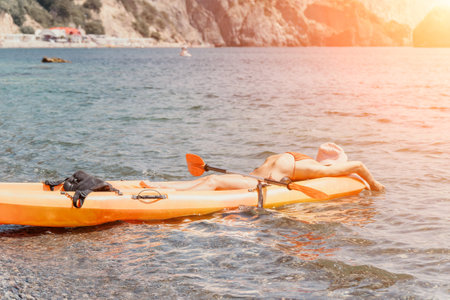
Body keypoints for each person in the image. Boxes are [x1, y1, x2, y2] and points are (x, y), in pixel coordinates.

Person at [146, 143, 385, 192]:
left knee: (208, 181)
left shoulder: (307, 162)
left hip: (255, 179)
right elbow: (360, 165)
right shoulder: (317, 170)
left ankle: (163, 189)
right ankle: (163, 191)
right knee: (211, 182)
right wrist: (375, 186)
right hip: (255, 180)